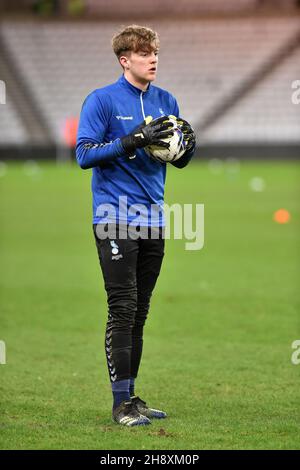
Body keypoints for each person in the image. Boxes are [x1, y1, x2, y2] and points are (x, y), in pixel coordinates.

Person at [76, 25, 196, 427]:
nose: (153, 59)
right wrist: (132, 139)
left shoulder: (166, 99)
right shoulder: (102, 100)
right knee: (122, 307)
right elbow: (84, 155)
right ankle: (119, 404)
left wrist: (184, 152)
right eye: (144, 53)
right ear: (125, 60)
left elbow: (172, 156)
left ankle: (132, 398)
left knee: (140, 311)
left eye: (155, 52)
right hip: (113, 218)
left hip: (154, 218)